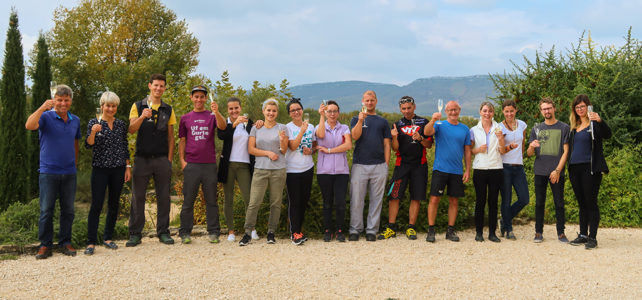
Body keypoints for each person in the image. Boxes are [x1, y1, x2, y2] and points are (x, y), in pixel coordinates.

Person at [25, 84, 80, 259]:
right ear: (54, 100)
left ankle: (65, 242)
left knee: (68, 211)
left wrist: (75, 164)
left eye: (66, 100)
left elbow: (75, 143)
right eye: (59, 100)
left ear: (70, 101)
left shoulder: (75, 120)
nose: (63, 103)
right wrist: (42, 107)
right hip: (49, 172)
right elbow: (29, 125)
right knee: (46, 210)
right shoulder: (46, 117)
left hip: (69, 172)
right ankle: (45, 245)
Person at [126, 73, 177, 246]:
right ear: (149, 86)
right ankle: (135, 233)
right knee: (137, 197)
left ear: (164, 88)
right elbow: (131, 130)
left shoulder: (168, 109)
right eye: (155, 85)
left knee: (163, 197)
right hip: (142, 159)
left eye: (161, 86)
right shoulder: (137, 105)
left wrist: (169, 159)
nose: (158, 88)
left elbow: (171, 137)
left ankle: (163, 232)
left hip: (162, 160)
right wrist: (142, 117)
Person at [83, 91, 131, 255]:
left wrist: (128, 167)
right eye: (107, 105)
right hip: (100, 169)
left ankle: (108, 238)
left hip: (118, 169)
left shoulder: (120, 125)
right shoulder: (94, 123)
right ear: (102, 106)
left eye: (113, 106)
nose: (110, 109)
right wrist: (93, 133)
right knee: (96, 205)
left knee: (114, 204)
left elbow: (124, 146)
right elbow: (88, 145)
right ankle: (90, 242)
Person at [178, 85, 226, 244]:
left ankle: (213, 232)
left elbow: (223, 127)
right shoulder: (185, 118)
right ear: (191, 98)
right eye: (196, 96)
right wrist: (182, 161)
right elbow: (182, 141)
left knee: (211, 200)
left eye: (202, 96)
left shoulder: (212, 116)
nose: (199, 99)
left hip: (209, 165)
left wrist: (216, 111)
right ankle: (185, 232)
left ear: (206, 98)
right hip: (191, 164)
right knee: (188, 201)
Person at [379, 96, 432, 241]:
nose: (407, 111)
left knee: (416, 197)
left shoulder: (424, 122)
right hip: (401, 165)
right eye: (404, 109)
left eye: (409, 108)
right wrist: (395, 137)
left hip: (419, 165)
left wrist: (420, 138)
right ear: (400, 109)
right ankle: (391, 228)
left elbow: (429, 145)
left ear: (414, 107)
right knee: (394, 196)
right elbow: (395, 148)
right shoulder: (397, 124)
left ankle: (411, 228)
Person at [239, 98, 289, 246]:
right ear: (263, 111)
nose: (271, 113)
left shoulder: (283, 128)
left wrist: (281, 140)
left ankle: (271, 233)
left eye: (273, 111)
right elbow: (251, 149)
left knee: (275, 203)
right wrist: (268, 153)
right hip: (260, 170)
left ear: (277, 112)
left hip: (278, 170)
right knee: (254, 202)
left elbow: (284, 150)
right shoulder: (256, 128)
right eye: (268, 110)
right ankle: (247, 233)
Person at [423, 100, 471, 243]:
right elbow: (426, 132)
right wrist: (433, 119)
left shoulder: (465, 129)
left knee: (454, 201)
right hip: (440, 169)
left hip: (456, 171)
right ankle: (431, 230)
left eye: (455, 109)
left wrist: (467, 170)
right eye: (450, 110)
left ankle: (450, 230)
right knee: (434, 199)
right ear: (446, 112)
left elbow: (467, 151)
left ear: (459, 110)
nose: (453, 112)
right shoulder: (439, 125)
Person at [567, 94, 611, 249]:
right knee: (582, 203)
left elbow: (608, 135)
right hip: (574, 169)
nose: (580, 109)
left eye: (582, 106)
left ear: (588, 107)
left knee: (591, 202)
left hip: (590, 168)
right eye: (577, 107)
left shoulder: (594, 124)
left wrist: (600, 120)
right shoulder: (574, 127)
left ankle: (593, 237)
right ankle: (583, 235)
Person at [349, 90, 392, 242]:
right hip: (359, 164)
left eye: (372, 100)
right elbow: (354, 137)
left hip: (379, 165)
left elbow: (387, 144)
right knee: (357, 199)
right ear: (363, 102)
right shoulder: (355, 119)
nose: (369, 103)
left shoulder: (382, 121)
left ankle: (371, 230)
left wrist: (386, 165)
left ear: (376, 101)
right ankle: (355, 229)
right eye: (367, 100)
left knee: (376, 200)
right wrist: (361, 121)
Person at [526, 97, 570, 243]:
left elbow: (566, 152)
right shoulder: (536, 128)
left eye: (549, 108)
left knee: (559, 203)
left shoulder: (564, 128)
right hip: (540, 171)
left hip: (556, 172)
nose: (547, 111)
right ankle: (538, 232)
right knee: (539, 203)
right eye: (544, 109)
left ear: (554, 109)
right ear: (541, 111)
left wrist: (557, 170)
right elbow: (529, 154)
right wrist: (531, 146)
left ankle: (561, 233)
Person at [217, 97, 258, 242]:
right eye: (231, 109)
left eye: (236, 108)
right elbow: (222, 135)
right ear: (227, 110)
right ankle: (231, 231)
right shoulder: (225, 123)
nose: (234, 111)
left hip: (244, 165)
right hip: (228, 165)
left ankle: (251, 228)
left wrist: (259, 123)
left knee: (249, 198)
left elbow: (258, 133)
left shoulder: (248, 122)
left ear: (240, 108)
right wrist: (234, 124)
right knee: (228, 199)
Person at [315, 100, 352, 242]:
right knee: (327, 202)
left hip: (341, 171)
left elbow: (348, 145)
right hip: (324, 171)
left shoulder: (344, 128)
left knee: (341, 202)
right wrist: (321, 116)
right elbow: (321, 136)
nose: (332, 114)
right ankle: (327, 230)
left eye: (334, 111)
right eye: (329, 111)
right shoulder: (320, 126)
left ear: (338, 113)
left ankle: (340, 230)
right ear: (325, 112)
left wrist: (329, 150)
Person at [469, 102, 504, 243]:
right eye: (485, 110)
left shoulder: (499, 128)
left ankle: (492, 233)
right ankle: (478, 232)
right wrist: (478, 150)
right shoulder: (473, 130)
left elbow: (502, 150)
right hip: (480, 169)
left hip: (496, 168)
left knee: (493, 202)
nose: (487, 113)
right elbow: (469, 151)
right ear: (480, 112)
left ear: (493, 113)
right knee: (480, 201)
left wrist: (501, 139)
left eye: (490, 111)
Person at [284, 98, 317, 245]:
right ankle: (294, 233)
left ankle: (299, 230)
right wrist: (301, 131)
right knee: (295, 201)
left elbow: (314, 145)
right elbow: (292, 146)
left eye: (298, 109)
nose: (296, 112)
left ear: (302, 110)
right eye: (293, 110)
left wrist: (311, 150)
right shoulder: (287, 128)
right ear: (290, 114)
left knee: (304, 201)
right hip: (292, 170)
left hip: (307, 168)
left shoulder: (311, 126)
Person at [498, 99, 529, 240]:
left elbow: (523, 144)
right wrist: (510, 147)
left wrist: (520, 158)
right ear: (503, 112)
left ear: (515, 110)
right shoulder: (500, 127)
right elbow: (501, 150)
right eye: (506, 111)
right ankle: (509, 229)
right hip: (505, 167)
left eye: (511, 111)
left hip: (518, 167)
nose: (509, 114)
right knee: (507, 199)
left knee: (524, 199)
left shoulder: (522, 124)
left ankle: (503, 220)